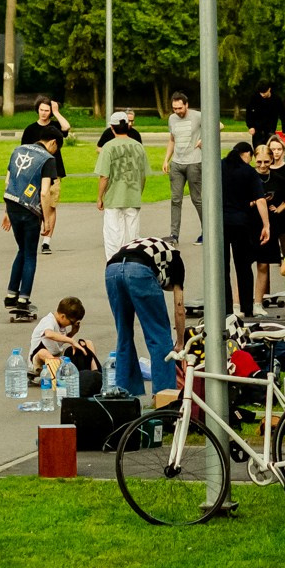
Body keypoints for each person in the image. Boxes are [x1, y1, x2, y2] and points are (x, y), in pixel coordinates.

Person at [105, 235, 186, 400]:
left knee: (124, 334)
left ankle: (124, 396)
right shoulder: (176, 260)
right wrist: (180, 342)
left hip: (111, 269)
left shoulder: (154, 247)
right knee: (159, 335)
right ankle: (165, 398)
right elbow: (179, 309)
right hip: (139, 270)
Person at [3, 131, 59, 312]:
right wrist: (46, 219)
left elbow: (9, 181)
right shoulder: (48, 159)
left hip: (11, 203)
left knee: (22, 249)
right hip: (29, 209)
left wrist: (6, 211)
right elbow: (44, 192)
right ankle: (23, 299)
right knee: (30, 254)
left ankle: (11, 294)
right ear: (53, 142)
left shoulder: (18, 150)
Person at [218, 141, 272, 316]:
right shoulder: (248, 172)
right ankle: (247, 307)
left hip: (221, 222)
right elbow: (260, 199)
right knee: (243, 266)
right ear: (247, 154)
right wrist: (266, 224)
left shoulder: (219, 166)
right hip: (241, 223)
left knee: (223, 268)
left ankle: (226, 308)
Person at [93, 111, 148, 260]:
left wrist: (99, 197)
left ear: (112, 127)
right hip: (133, 195)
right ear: (128, 126)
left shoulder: (108, 147)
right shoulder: (138, 147)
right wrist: (138, 192)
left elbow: (104, 176)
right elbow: (143, 176)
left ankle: (114, 263)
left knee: (113, 235)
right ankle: (131, 262)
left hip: (113, 197)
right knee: (133, 235)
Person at [21, 98, 71, 255]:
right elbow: (23, 152)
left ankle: (47, 241)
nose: (44, 113)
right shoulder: (30, 130)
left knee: (50, 205)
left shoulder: (55, 127)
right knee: (33, 206)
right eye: (42, 110)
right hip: (34, 173)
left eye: (47, 110)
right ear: (37, 110)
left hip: (54, 171)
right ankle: (32, 237)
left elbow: (66, 127)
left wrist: (56, 112)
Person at [29, 296, 105, 397]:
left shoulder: (61, 324)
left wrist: (73, 332)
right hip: (39, 361)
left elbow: (59, 341)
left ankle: (95, 374)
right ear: (63, 316)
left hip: (58, 358)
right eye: (72, 322)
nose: (71, 324)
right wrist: (71, 341)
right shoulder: (48, 320)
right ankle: (60, 380)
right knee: (43, 352)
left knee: (87, 343)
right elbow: (49, 334)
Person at [255, 141, 285, 305]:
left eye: (266, 161)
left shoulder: (280, 176)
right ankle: (262, 296)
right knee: (261, 263)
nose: (263, 165)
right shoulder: (251, 176)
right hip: (256, 223)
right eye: (259, 162)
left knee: (284, 258)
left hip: (277, 221)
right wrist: (255, 202)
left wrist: (280, 207)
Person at [164, 91, 206, 243]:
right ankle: (174, 235)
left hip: (194, 162)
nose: (177, 111)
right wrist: (166, 160)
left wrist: (204, 138)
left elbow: (219, 125)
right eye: (174, 108)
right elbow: (172, 140)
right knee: (175, 200)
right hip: (177, 163)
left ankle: (206, 231)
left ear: (186, 105)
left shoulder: (197, 116)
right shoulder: (172, 119)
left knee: (197, 199)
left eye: (180, 108)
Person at [245, 81, 285, 149]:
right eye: (261, 93)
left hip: (270, 130)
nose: (263, 95)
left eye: (264, 93)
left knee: (270, 151)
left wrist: (284, 129)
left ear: (269, 89)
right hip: (257, 131)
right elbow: (249, 113)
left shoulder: (276, 99)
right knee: (259, 151)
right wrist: (250, 126)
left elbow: (283, 114)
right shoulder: (254, 98)